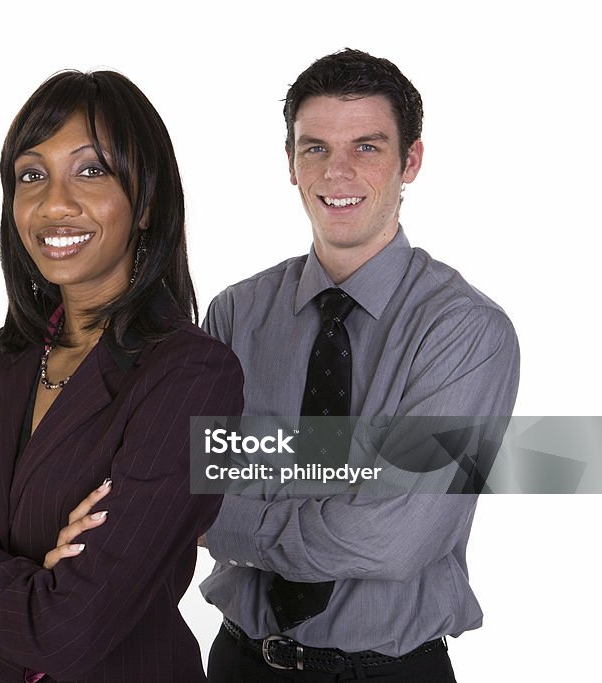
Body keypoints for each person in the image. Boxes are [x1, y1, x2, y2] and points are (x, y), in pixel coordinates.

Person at [0, 70, 244, 682]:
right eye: (31, 175)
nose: (54, 203)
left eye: (91, 170)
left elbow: (64, 632)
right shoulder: (1, 364)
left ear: (148, 199)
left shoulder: (195, 377)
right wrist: (31, 592)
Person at [200, 49, 520, 681]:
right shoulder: (236, 315)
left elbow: (395, 539)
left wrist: (235, 515)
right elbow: (186, 489)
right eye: (314, 147)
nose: (337, 171)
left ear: (412, 162)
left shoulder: (463, 331)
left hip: (387, 672)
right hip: (239, 662)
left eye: (367, 147)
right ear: (290, 164)